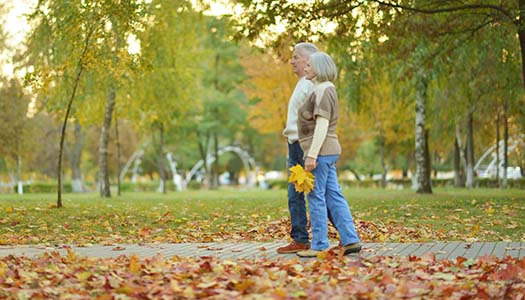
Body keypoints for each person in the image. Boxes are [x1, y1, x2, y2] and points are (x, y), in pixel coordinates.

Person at [295, 52, 361, 257]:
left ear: (319, 68)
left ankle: (320, 245)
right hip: (330, 150)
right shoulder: (326, 89)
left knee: (316, 197)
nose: (305, 68)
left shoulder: (322, 91)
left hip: (321, 152)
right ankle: (350, 240)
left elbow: (322, 125)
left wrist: (312, 155)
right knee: (334, 195)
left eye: (309, 65)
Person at [276, 42, 318, 254]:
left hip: (303, 146)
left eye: (296, 57)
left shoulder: (310, 85)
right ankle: (300, 238)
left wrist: (310, 147)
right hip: (294, 144)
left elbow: (315, 118)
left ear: (308, 61)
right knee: (295, 193)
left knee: (316, 192)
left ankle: (345, 236)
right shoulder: (302, 83)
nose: (291, 61)